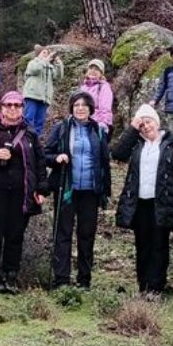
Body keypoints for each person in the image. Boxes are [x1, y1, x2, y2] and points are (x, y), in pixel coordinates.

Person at [0, 91, 49, 294]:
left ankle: (10, 275)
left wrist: (41, 188)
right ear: (1, 108)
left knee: (15, 235)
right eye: (8, 105)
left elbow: (39, 162)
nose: (12, 109)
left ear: (22, 109)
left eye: (17, 105)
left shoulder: (30, 133)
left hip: (21, 192)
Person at [112, 104, 173, 298]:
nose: (146, 126)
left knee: (159, 245)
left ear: (157, 122)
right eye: (142, 124)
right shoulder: (136, 143)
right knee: (142, 244)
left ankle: (156, 287)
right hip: (139, 202)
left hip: (162, 201)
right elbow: (118, 154)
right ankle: (143, 286)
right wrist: (133, 128)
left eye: (148, 121)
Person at [44, 92, 111, 289]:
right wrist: (57, 158)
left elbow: (105, 162)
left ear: (91, 109)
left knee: (86, 235)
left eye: (84, 105)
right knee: (62, 234)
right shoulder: (62, 128)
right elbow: (46, 153)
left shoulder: (98, 130)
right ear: (71, 108)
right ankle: (61, 279)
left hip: (90, 191)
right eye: (76, 105)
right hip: (66, 189)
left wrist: (105, 191)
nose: (80, 108)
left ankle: (84, 280)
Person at [21, 46, 63, 136]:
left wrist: (58, 63)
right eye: (44, 52)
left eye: (48, 53)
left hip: (44, 98)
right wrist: (45, 61)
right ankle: (26, 138)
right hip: (32, 95)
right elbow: (35, 70)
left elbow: (59, 77)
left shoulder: (50, 67)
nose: (46, 55)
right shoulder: (33, 62)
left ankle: (36, 141)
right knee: (29, 118)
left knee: (40, 122)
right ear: (38, 54)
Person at [78, 59, 114, 136]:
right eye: (91, 68)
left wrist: (103, 124)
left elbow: (105, 108)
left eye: (97, 69)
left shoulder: (103, 87)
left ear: (101, 74)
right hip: (81, 123)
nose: (93, 71)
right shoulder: (83, 87)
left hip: (95, 125)